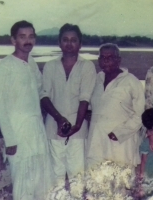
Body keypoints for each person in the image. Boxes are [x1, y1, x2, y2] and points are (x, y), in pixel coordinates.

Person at [0, 20, 53, 199]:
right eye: (22, 37)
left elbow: (41, 91)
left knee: (42, 184)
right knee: (23, 186)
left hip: (37, 132)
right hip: (18, 137)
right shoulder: (5, 66)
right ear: (13, 40)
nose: (28, 41)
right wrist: (10, 139)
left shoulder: (31, 62)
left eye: (31, 36)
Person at [40, 24, 97, 184]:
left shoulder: (87, 66)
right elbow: (44, 95)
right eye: (65, 40)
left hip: (78, 131)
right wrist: (59, 119)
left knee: (77, 177)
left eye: (73, 40)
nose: (69, 44)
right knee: (56, 177)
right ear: (59, 43)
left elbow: (85, 98)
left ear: (80, 44)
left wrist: (77, 125)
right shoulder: (50, 66)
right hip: (53, 128)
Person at [86, 43, 145, 168]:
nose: (106, 61)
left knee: (121, 184)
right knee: (96, 183)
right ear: (98, 61)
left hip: (122, 144)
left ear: (119, 60)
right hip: (97, 144)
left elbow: (141, 115)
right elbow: (90, 109)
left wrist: (120, 133)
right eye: (103, 57)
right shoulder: (95, 80)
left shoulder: (131, 81)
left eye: (110, 57)